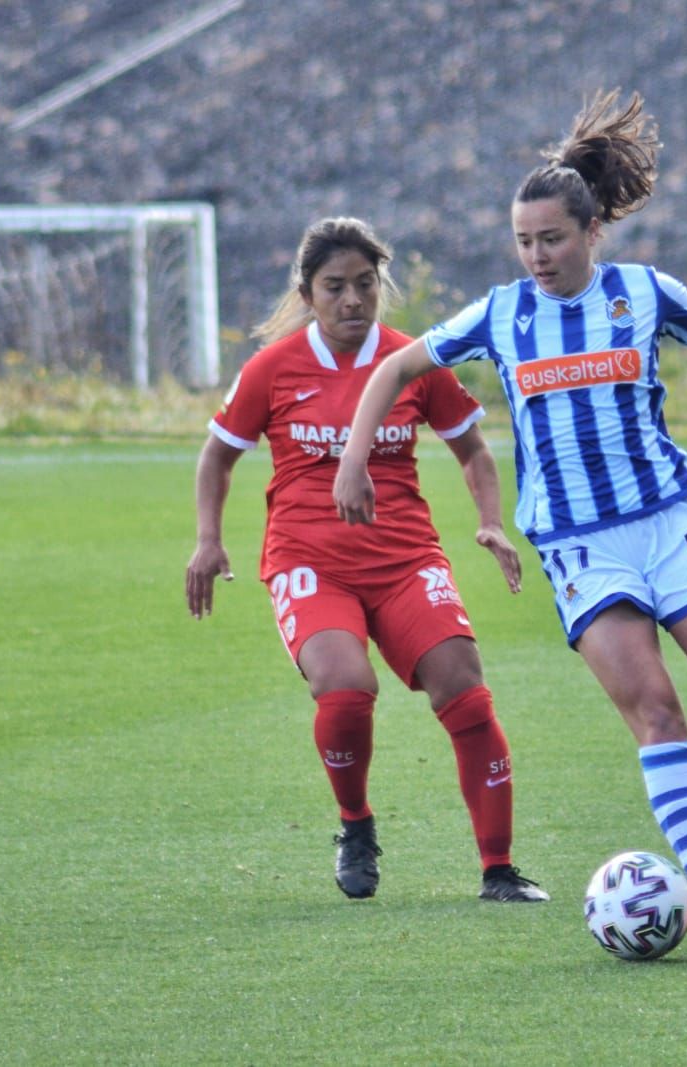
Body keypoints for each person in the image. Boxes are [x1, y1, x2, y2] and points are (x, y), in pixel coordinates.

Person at [332, 91, 687, 960]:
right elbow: (395, 369)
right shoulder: (501, 314)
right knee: (658, 713)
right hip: (580, 544)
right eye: (523, 241)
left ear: (592, 233)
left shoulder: (644, 293)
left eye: (551, 239)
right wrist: (354, 457)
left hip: (668, 519)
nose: (536, 256)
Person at [186, 216, 548, 905]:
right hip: (309, 559)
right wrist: (209, 539)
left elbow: (472, 450)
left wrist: (490, 522)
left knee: (464, 689)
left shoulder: (412, 360)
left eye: (364, 283)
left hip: (405, 558)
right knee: (346, 689)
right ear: (307, 294)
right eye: (335, 287)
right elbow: (218, 457)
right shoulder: (273, 368)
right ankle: (355, 824)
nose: (352, 299)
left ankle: (499, 869)